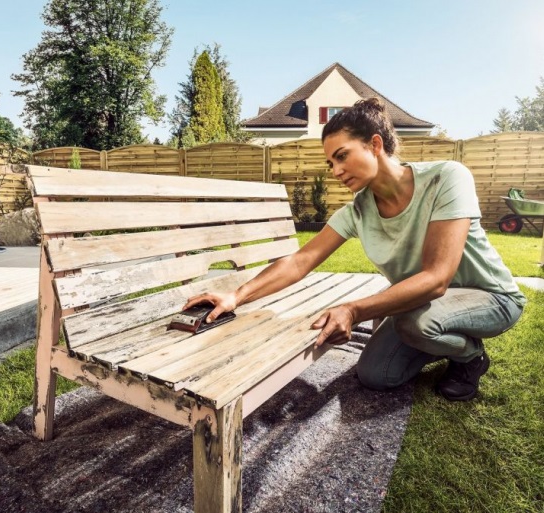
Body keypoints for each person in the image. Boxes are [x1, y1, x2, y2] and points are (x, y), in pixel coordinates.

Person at [184, 97, 526, 402]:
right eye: (330, 163)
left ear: (375, 144)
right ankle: (440, 340)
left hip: (490, 297)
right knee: (376, 374)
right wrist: (236, 296)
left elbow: (437, 278)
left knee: (415, 325)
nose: (335, 171)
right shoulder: (357, 211)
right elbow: (301, 260)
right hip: (423, 305)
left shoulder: (447, 178)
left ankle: (469, 357)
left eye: (342, 156)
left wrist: (352, 309)